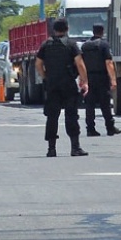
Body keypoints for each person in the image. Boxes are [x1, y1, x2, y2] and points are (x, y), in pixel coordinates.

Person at [35, 18, 90, 157]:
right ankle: (75, 147)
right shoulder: (71, 44)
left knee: (52, 116)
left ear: (54, 29)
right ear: (67, 29)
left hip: (52, 85)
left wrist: (45, 77)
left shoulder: (46, 44)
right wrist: (84, 81)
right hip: (68, 84)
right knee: (71, 115)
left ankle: (51, 149)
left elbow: (38, 64)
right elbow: (80, 64)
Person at [80, 23, 121, 137]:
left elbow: (81, 63)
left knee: (89, 104)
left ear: (93, 31)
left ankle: (90, 129)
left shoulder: (85, 46)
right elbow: (108, 63)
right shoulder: (104, 45)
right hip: (102, 77)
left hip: (89, 78)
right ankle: (110, 127)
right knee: (105, 104)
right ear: (102, 31)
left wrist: (82, 79)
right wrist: (113, 79)